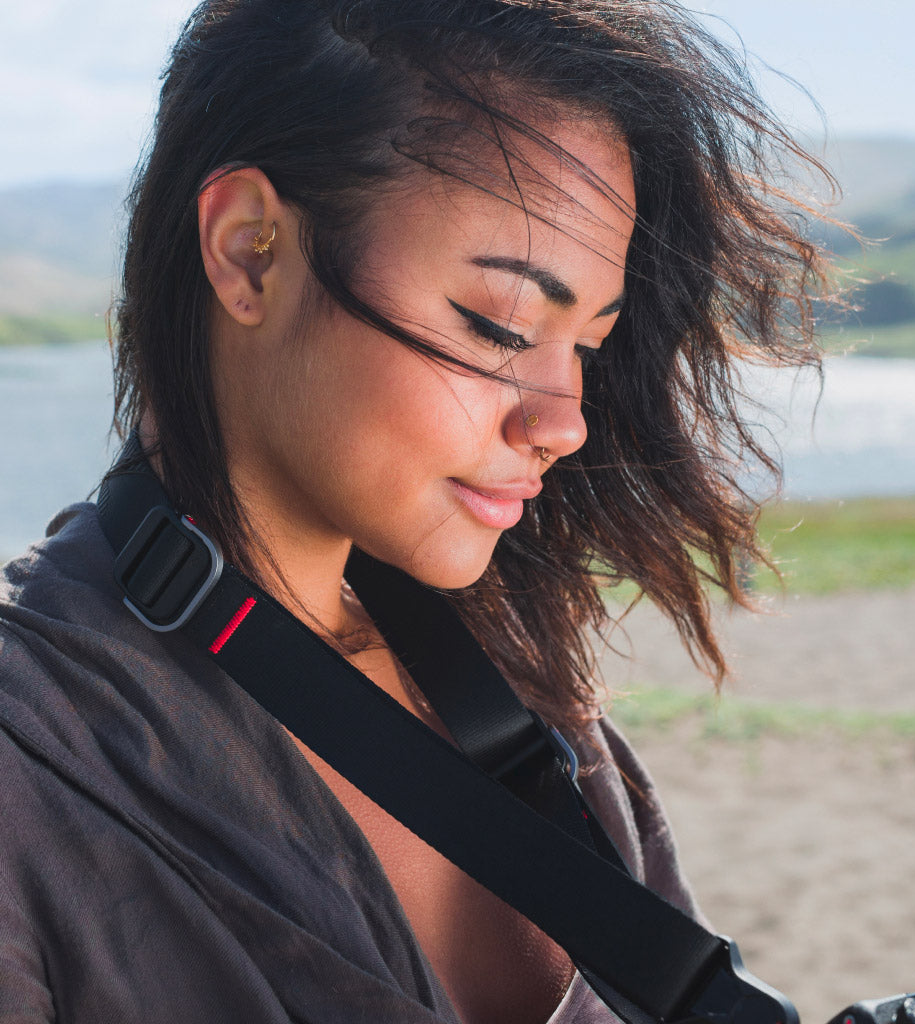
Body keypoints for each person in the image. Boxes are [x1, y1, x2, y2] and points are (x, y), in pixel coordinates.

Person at [0, 1, 830, 1021]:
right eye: (499, 325)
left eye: (587, 346)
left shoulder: (527, 687)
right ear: (251, 250)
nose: (565, 422)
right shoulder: (30, 759)